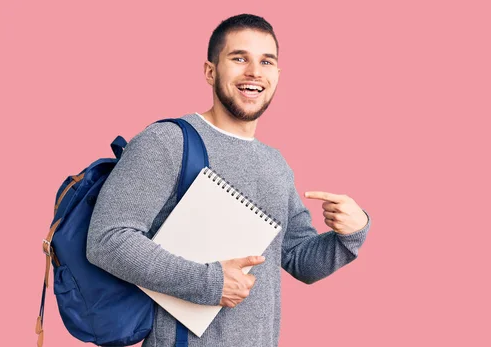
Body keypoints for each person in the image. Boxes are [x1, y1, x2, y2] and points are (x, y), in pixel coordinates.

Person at [87, 13, 371, 347]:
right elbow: (107, 240)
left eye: (266, 62)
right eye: (239, 58)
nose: (254, 72)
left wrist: (350, 234)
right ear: (210, 71)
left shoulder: (276, 164)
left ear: (277, 75)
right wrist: (209, 281)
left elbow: (299, 260)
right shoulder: (166, 141)